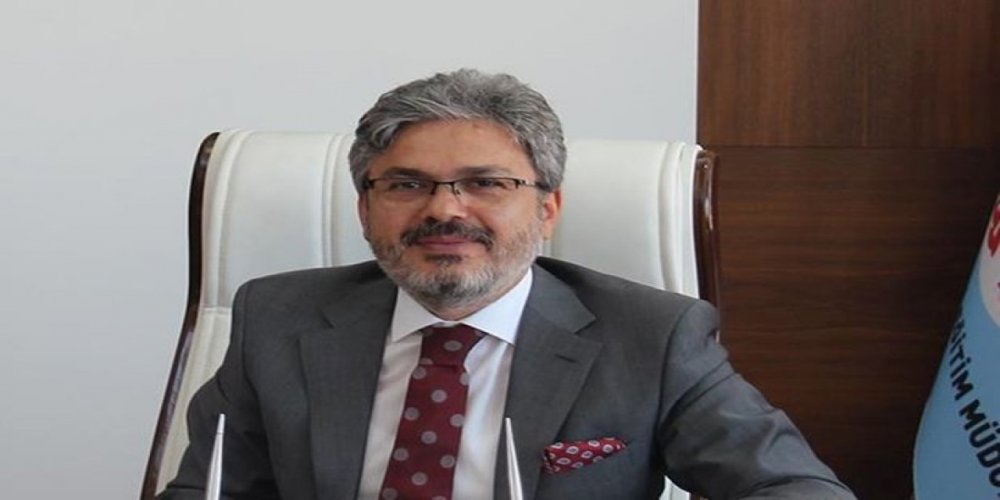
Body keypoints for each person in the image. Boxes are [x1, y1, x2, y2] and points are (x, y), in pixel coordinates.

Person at [160, 69, 855, 499]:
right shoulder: (278, 318)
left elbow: (794, 490)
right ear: (365, 210)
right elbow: (207, 489)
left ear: (547, 209)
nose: (445, 210)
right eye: (407, 185)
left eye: (486, 183)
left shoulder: (653, 337)